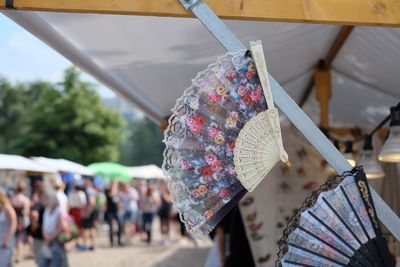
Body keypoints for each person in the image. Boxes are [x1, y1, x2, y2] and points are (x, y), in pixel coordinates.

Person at [39, 193, 69, 267]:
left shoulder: (59, 211)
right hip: (47, 239)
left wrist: (51, 237)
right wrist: (47, 237)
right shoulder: (47, 210)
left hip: (56, 239)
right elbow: (44, 225)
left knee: (57, 261)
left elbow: (60, 227)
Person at [11, 181, 30, 263]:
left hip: (13, 220)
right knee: (19, 238)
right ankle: (18, 255)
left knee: (14, 238)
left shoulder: (13, 198)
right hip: (21, 221)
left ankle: (15, 254)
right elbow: (26, 212)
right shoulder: (25, 199)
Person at [27, 182, 45, 265]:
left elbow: (34, 214)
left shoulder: (38, 204)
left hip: (39, 234)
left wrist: (34, 225)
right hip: (47, 233)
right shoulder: (46, 204)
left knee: (40, 258)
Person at [0, 190, 17, 267]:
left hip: (6, 240)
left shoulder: (7, 208)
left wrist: (7, 239)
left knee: (4, 262)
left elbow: (13, 224)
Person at [68, 184, 86, 249]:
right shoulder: (71, 194)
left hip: (78, 211)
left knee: (81, 227)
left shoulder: (81, 194)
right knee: (75, 227)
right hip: (74, 211)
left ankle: (83, 242)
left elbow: (83, 203)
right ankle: (77, 242)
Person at [105, 180, 123, 247]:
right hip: (110, 211)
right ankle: (112, 241)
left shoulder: (118, 191)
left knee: (120, 226)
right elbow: (112, 194)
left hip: (117, 211)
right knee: (111, 227)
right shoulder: (107, 190)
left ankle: (119, 240)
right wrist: (115, 184)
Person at [81, 180, 96, 250]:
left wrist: (87, 213)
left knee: (87, 228)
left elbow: (92, 202)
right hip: (91, 211)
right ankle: (93, 244)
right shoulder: (91, 190)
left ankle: (85, 245)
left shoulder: (88, 190)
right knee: (91, 228)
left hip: (90, 211)